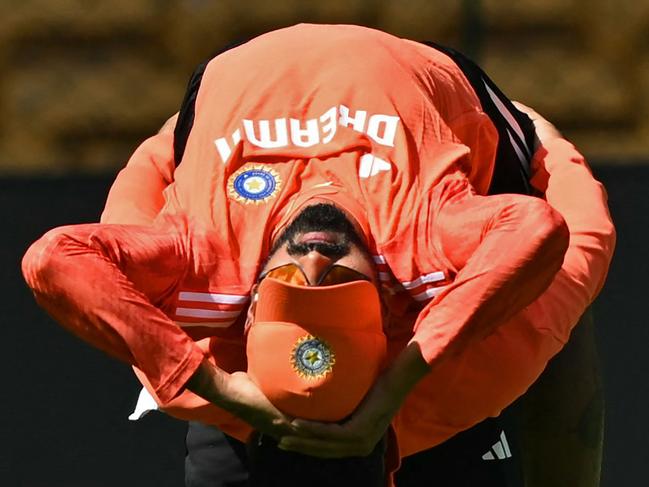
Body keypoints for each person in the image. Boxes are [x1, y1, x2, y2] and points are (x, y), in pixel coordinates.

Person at [21, 24, 615, 486]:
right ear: (386, 312)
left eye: (290, 293)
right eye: (336, 292)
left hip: (226, 89)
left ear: (248, 312)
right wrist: (546, 147)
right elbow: (557, 228)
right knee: (546, 314)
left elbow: (58, 255)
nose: (312, 261)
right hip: (438, 87)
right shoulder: (429, 255)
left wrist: (208, 383)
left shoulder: (195, 278)